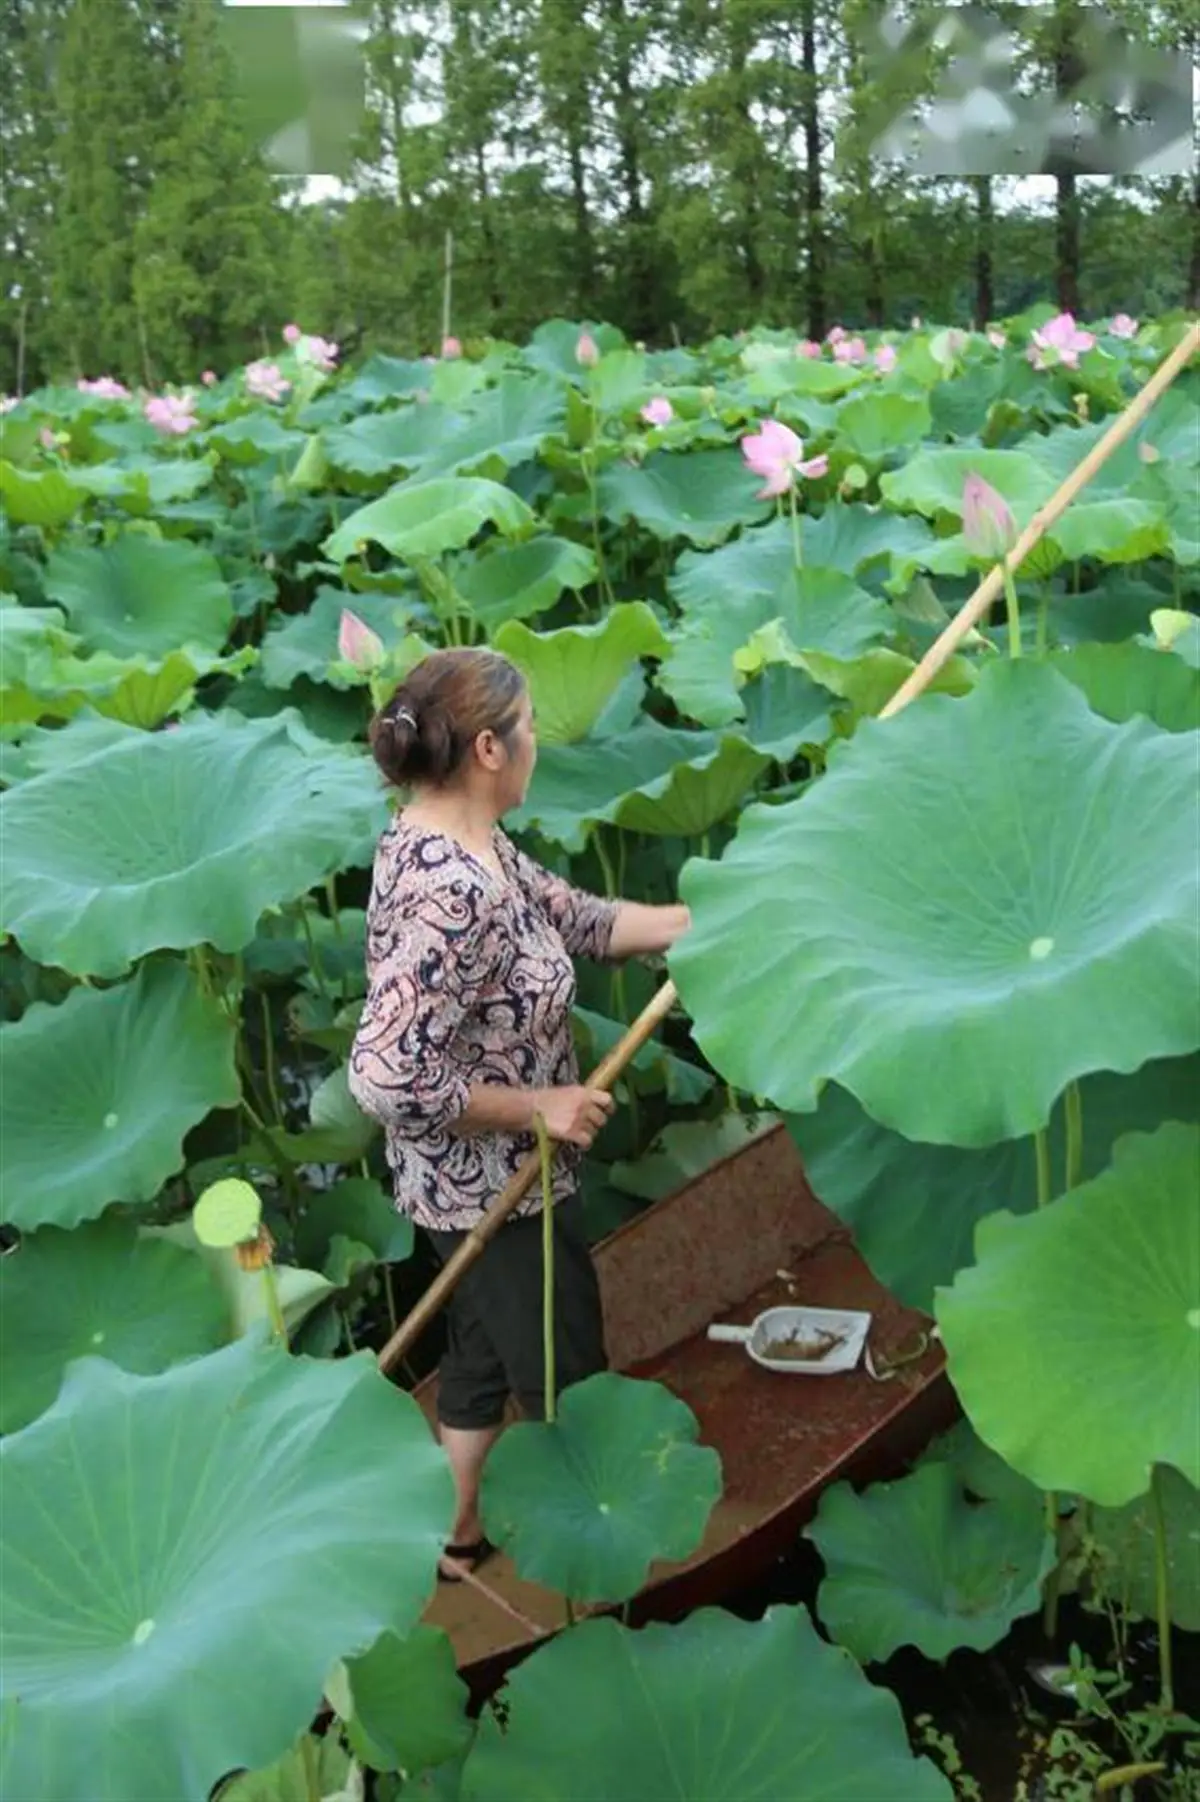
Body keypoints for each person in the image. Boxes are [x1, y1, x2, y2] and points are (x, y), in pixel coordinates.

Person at [347, 646, 691, 1581]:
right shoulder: (448, 893)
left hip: (470, 1185)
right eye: (531, 726)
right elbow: (382, 1074)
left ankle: (458, 1537)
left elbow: (571, 917)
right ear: (490, 749)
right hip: (495, 1196)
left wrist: (697, 921)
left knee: (479, 1360)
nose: (541, 741)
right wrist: (534, 1106)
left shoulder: (458, 838)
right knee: (562, 1384)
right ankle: (588, 1576)